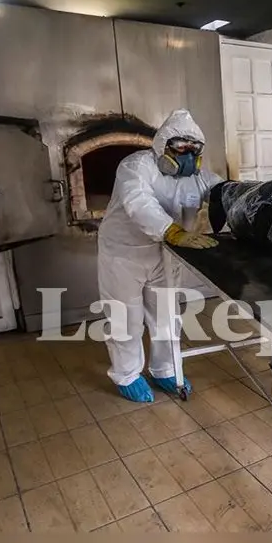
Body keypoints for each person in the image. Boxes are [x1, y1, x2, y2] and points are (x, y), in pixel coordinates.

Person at [97, 109, 223, 403]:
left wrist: (249, 196)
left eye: (194, 149)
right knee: (124, 316)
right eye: (180, 148)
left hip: (166, 254)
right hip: (124, 255)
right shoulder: (136, 166)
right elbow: (138, 201)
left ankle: (166, 369)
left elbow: (223, 191)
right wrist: (172, 231)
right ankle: (126, 374)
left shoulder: (199, 178)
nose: (188, 156)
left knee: (167, 314)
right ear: (163, 145)